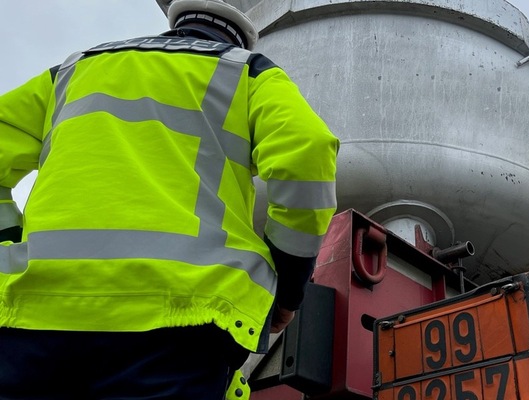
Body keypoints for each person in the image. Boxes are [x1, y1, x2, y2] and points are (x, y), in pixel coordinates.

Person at [0, 0, 338, 398]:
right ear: (238, 41)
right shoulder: (248, 70)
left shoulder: (76, 69)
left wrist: (13, 236)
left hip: (34, 318)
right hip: (178, 323)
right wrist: (288, 284)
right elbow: (307, 152)